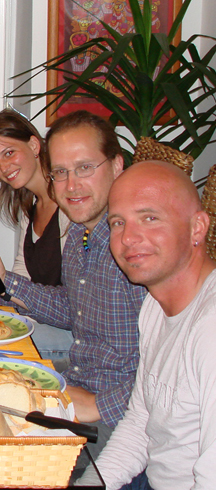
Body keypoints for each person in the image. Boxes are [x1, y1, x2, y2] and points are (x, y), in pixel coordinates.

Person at [0, 110, 146, 455]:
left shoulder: (137, 248)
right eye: (61, 172)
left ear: (117, 165)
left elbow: (167, 367)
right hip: (76, 386)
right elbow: (72, 308)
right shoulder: (81, 233)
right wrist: (6, 284)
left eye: (85, 168)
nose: (71, 185)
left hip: (120, 420)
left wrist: (99, 405)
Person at [89, 161, 216, 489]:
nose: (128, 237)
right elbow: (141, 423)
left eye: (149, 217)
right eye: (118, 222)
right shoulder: (155, 308)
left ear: (197, 228)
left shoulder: (209, 329)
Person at [0, 109, 73, 362]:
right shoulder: (29, 203)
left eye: (9, 153)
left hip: (75, 336)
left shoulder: (71, 205)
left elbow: (74, 309)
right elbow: (23, 273)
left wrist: (6, 282)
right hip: (46, 321)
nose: (3, 168)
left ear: (33, 144)